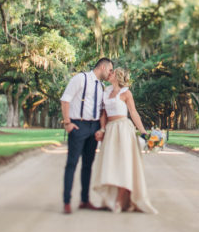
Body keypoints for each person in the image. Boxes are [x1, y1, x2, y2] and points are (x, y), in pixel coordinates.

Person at [90, 68, 158, 214]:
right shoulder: (105, 91)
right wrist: (102, 129)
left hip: (124, 130)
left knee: (124, 164)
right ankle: (110, 199)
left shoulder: (126, 93)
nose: (109, 73)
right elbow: (103, 113)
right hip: (110, 130)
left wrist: (144, 133)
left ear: (118, 76)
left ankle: (120, 201)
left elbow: (133, 113)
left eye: (112, 72)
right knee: (111, 164)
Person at [61, 57, 114, 214]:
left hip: (94, 127)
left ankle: (85, 200)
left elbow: (102, 109)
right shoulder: (80, 78)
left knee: (87, 165)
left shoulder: (101, 86)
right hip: (79, 124)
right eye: (110, 70)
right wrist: (67, 123)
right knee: (72, 163)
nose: (111, 73)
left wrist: (101, 128)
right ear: (103, 67)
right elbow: (65, 100)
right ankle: (67, 202)